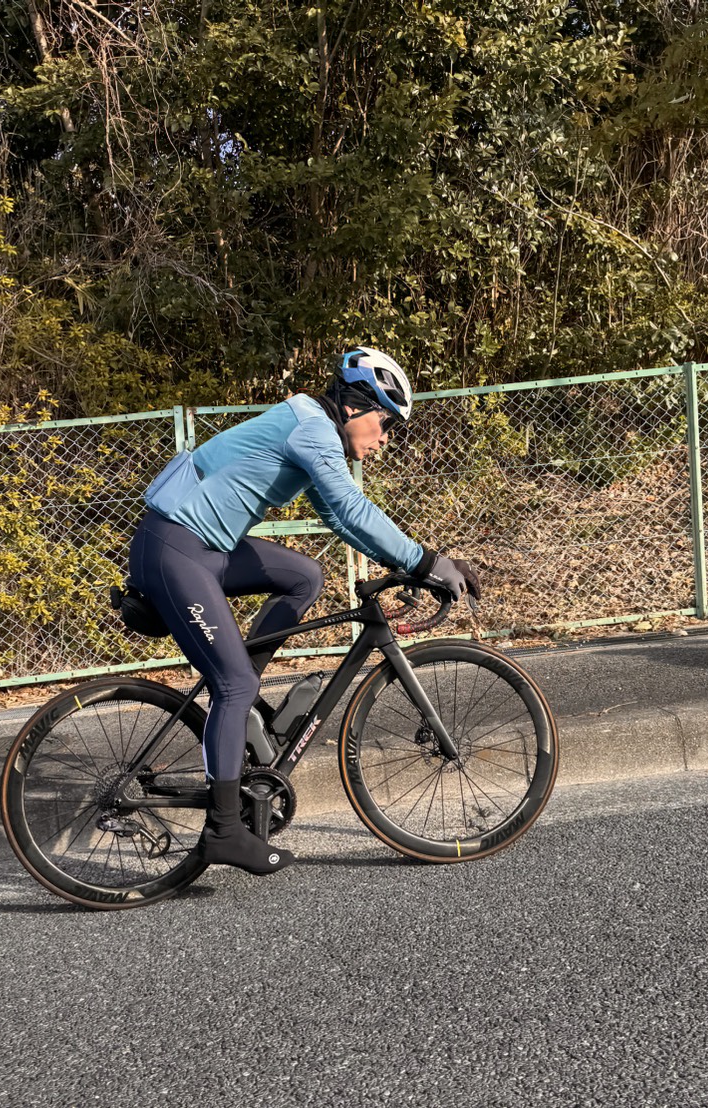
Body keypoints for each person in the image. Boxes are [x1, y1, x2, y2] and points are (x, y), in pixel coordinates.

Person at [126, 347, 481, 876]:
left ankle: (244, 703)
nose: (385, 439)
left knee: (304, 577)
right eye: (386, 423)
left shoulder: (312, 427)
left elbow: (337, 518)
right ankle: (223, 831)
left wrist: (405, 563)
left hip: (198, 547)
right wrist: (427, 561)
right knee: (232, 685)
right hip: (175, 550)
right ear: (356, 407)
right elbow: (351, 507)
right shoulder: (312, 429)